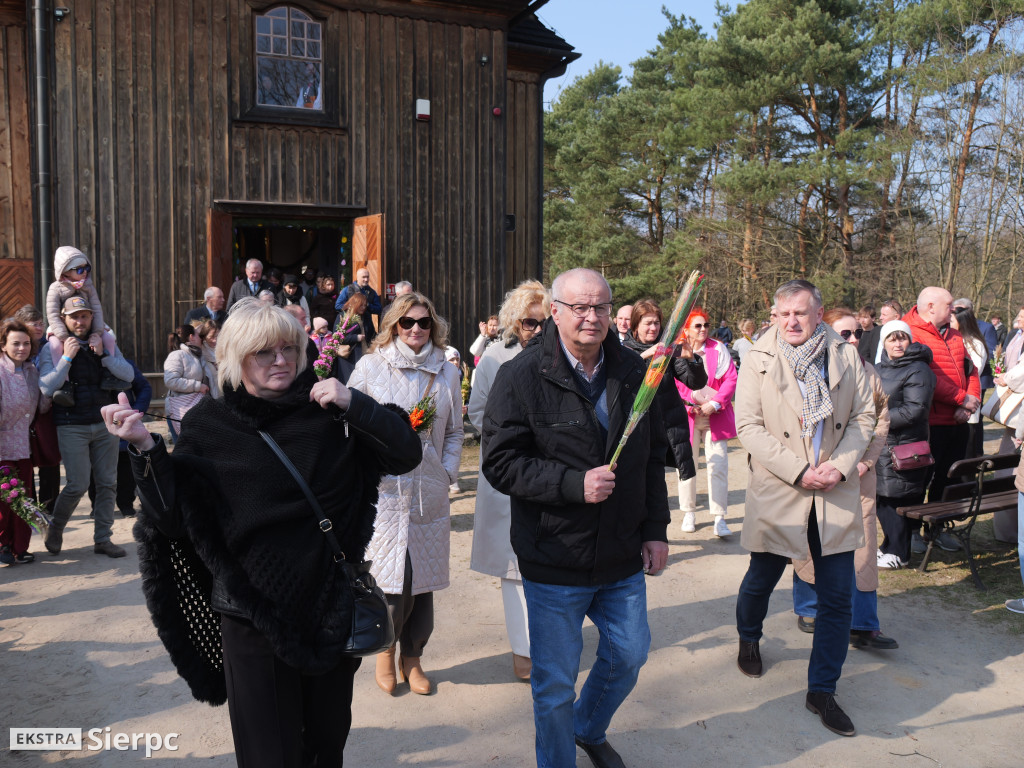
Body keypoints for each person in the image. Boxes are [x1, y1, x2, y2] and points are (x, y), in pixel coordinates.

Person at [105, 298, 421, 766]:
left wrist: (356, 402)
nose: (281, 361)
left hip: (329, 604)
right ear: (236, 358)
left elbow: (404, 454)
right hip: (252, 615)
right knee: (267, 755)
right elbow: (172, 520)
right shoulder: (209, 426)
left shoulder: (330, 410)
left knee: (326, 745)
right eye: (264, 352)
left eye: (289, 349)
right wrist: (144, 449)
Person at [482, 267, 670, 768]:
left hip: (621, 552)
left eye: (602, 307)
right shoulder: (521, 376)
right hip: (554, 555)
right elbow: (500, 464)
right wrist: (572, 485)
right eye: (580, 307)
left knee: (629, 655)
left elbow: (649, 456)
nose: (592, 317)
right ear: (556, 313)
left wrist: (655, 530)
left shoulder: (634, 370)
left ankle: (588, 728)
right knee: (554, 685)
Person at [733, 279, 874, 738]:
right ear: (773, 315)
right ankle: (749, 638)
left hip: (834, 490)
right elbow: (748, 427)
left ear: (818, 314)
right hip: (781, 488)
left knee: (836, 598)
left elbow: (863, 417)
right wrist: (799, 470)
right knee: (763, 576)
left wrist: (838, 465)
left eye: (801, 313)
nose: (792, 321)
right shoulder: (757, 358)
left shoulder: (845, 353)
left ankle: (822, 690)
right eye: (783, 313)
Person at [347, 292, 464, 697]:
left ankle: (413, 658)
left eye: (424, 322)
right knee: (391, 578)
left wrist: (446, 471)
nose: (416, 329)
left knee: (423, 580)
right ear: (394, 324)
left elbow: (454, 432)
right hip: (385, 489)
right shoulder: (369, 366)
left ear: (434, 326)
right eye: (407, 322)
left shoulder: (447, 372)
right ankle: (385, 649)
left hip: (428, 488)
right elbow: (348, 422)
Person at [791, 309, 897, 651]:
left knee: (863, 546)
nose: (853, 339)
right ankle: (809, 607)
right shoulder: (804, 368)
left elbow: (879, 422)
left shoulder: (868, 372)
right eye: (845, 333)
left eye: (855, 333)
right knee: (810, 540)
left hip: (857, 477)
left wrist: (863, 462)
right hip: (815, 474)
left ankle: (864, 623)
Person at [469, 280, 551, 681]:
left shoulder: (563, 357)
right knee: (513, 568)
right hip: (510, 471)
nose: (536, 329)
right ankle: (523, 651)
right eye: (528, 322)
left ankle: (549, 641)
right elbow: (477, 413)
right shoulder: (494, 359)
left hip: (553, 474)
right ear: (513, 322)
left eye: (543, 321)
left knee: (549, 561)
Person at [38, 295, 137, 558]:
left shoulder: (105, 341)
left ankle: (103, 539)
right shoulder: (54, 347)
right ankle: (55, 527)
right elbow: (47, 386)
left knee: (107, 483)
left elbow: (128, 375)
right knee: (77, 484)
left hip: (106, 423)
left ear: (92, 317)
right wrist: (67, 358)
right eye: (74, 316)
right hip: (71, 424)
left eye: (84, 315)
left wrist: (103, 355)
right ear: (64, 319)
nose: (80, 321)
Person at [904, 287, 981, 553]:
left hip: (957, 422)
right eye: (949, 306)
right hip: (927, 423)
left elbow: (971, 370)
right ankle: (911, 531)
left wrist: (969, 403)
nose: (954, 310)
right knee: (919, 479)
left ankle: (937, 528)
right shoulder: (908, 332)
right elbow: (924, 378)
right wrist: (961, 399)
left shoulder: (956, 333)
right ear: (930, 307)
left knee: (948, 480)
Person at [874, 320, 936, 567]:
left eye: (902, 338)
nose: (897, 343)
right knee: (881, 497)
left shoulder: (918, 369)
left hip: (903, 445)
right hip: (880, 442)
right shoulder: (878, 367)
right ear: (884, 342)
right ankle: (888, 545)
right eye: (892, 338)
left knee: (895, 498)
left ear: (910, 341)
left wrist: (875, 421)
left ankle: (900, 553)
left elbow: (915, 410)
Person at [675, 307, 737, 537]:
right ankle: (688, 511)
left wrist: (716, 403)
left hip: (715, 416)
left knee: (718, 466)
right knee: (687, 466)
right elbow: (675, 382)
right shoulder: (679, 350)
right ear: (687, 329)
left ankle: (719, 517)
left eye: (706, 325)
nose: (703, 329)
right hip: (688, 416)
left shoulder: (718, 349)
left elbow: (730, 378)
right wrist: (690, 400)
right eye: (697, 325)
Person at [0, 319, 51, 565]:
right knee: (6, 500)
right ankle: (3, 546)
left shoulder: (32, 371)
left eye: (26, 343)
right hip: (2, 446)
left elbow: (40, 406)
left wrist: (52, 387)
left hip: (24, 445)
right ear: (3, 345)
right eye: (16, 343)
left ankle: (20, 547)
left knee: (25, 498)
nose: (22, 348)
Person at [88, 359, 152, 517]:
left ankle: (126, 503)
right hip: (95, 421)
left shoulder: (124, 364)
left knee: (125, 467)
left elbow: (144, 387)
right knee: (97, 468)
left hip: (122, 421)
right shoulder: (87, 363)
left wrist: (135, 411)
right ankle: (97, 505)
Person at [14, 305, 61, 513]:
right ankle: (30, 506)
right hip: (19, 414)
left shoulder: (50, 346)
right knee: (24, 462)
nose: (40, 327)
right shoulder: (15, 349)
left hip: (46, 411)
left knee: (49, 459)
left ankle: (50, 506)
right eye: (34, 323)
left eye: (41, 323)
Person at [951, 304, 989, 458]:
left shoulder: (975, 344)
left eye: (952, 321)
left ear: (962, 323)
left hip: (967, 400)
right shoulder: (954, 340)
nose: (949, 324)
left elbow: (973, 372)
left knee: (967, 450)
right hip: (955, 401)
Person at [163, 324, 213, 442]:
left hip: (195, 409)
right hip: (180, 410)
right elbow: (171, 381)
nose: (201, 338)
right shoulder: (178, 355)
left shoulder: (197, 355)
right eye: (198, 335)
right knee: (184, 451)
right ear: (192, 337)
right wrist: (197, 386)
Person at [335, 268, 382, 334]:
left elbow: (379, 309)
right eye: (363, 277)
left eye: (367, 277)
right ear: (357, 277)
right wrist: (353, 306)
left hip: (367, 325)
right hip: (351, 324)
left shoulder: (371, 292)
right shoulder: (348, 289)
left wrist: (367, 305)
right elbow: (338, 306)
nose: (366, 279)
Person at [335, 293, 369, 366]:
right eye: (361, 305)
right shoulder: (342, 316)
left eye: (365, 305)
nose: (363, 307)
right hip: (348, 357)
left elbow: (371, 334)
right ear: (354, 304)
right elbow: (336, 337)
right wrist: (355, 337)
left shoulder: (366, 316)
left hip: (364, 354)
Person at [196, 320, 221, 399]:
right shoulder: (200, 353)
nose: (215, 340)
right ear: (204, 337)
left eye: (218, 336)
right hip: (208, 397)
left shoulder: (226, 350)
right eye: (211, 337)